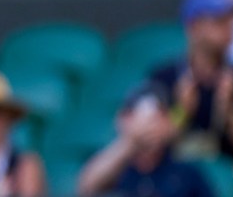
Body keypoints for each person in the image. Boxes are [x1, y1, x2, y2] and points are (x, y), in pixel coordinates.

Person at [149, 0, 233, 160]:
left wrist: (230, 111)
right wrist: (181, 113)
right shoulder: (164, 77)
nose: (229, 27)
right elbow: (148, 149)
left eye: (231, 20)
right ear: (194, 27)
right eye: (219, 21)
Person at [77, 82, 214, 197]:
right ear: (123, 119)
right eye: (144, 118)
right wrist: (131, 142)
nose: (151, 126)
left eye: (158, 117)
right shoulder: (114, 168)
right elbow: (86, 188)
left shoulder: (186, 173)